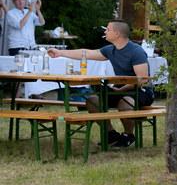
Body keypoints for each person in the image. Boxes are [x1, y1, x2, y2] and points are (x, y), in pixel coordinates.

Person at [47, 19, 155, 147]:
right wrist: (60, 53)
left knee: (125, 102)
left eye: (108, 29)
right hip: (120, 88)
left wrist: (121, 90)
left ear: (117, 33)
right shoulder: (110, 50)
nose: (105, 32)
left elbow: (142, 80)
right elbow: (86, 53)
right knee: (92, 101)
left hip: (142, 90)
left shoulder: (136, 51)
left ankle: (128, 135)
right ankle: (111, 134)